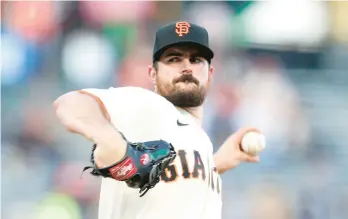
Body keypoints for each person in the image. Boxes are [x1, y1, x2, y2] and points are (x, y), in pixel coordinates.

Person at [53, 21, 261, 219]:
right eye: (173, 59)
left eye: (196, 60)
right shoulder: (147, 104)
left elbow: (173, 192)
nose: (186, 67)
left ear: (210, 74)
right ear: (153, 74)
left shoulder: (200, 139)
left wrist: (215, 165)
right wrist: (110, 139)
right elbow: (70, 103)